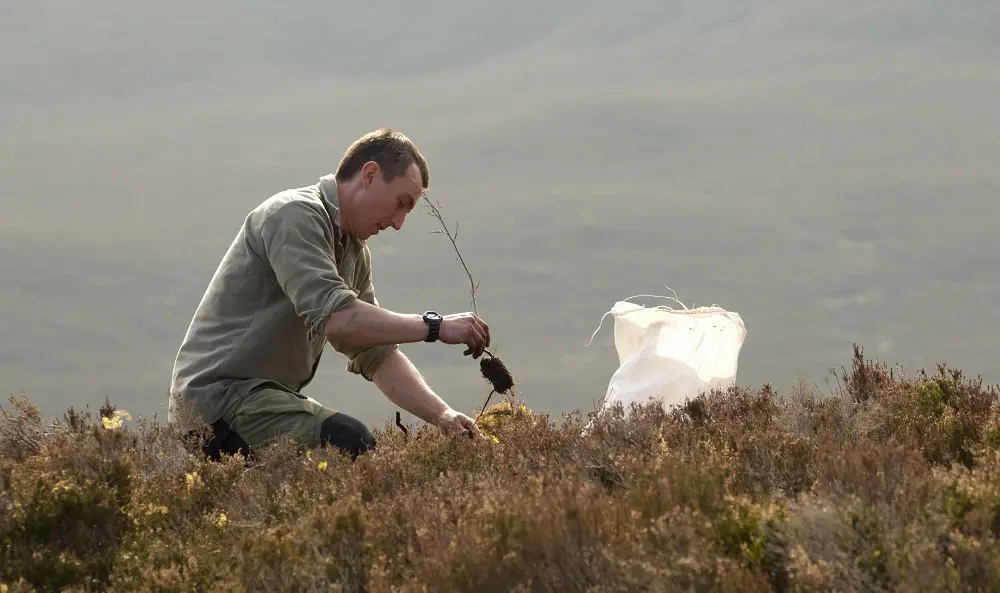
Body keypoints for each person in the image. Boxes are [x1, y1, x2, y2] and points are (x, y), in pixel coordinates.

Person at [168, 127, 491, 461]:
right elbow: (339, 318)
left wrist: (442, 415)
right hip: (218, 402)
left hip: (256, 403)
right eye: (400, 204)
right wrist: (436, 327)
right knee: (346, 442)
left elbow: (374, 352)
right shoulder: (294, 215)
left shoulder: (353, 252)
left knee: (316, 474)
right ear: (369, 174)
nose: (398, 223)